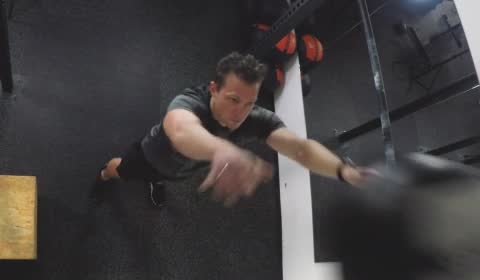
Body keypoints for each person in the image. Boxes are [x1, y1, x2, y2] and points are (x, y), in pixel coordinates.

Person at [91, 52, 369, 207]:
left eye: (249, 103)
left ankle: (158, 181)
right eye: (233, 100)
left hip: (183, 170)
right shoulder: (190, 101)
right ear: (214, 89)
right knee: (120, 170)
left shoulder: (257, 118)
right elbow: (180, 129)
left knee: (167, 176)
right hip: (149, 157)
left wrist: (344, 172)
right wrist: (223, 149)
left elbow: (300, 149)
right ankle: (103, 174)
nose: (240, 114)